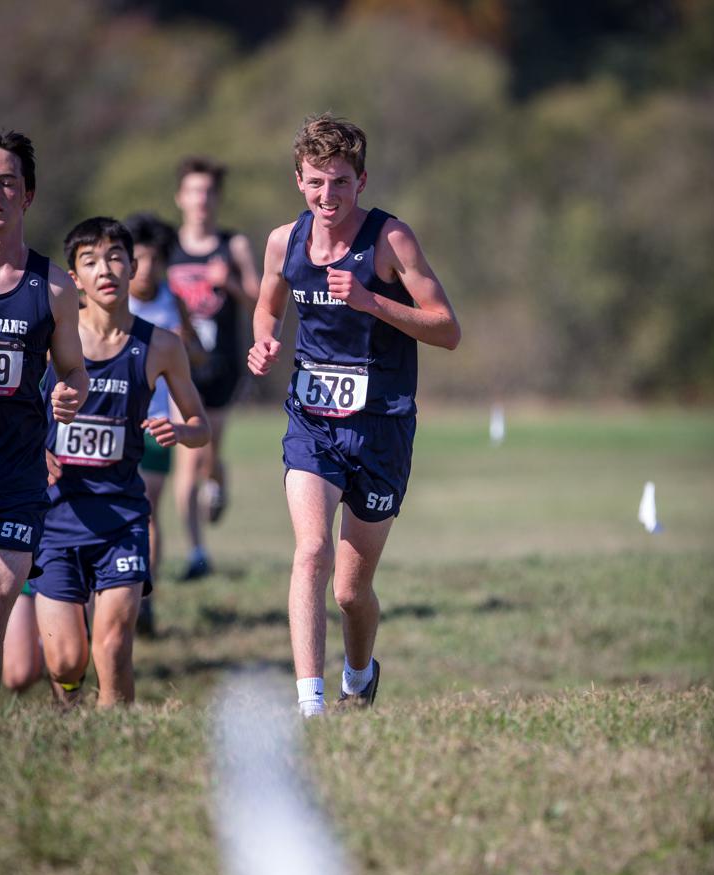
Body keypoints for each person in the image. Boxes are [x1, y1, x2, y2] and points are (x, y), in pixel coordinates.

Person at [248, 114, 461, 716]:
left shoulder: (392, 241)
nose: (327, 196)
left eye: (339, 182)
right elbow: (267, 308)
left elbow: (447, 330)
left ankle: (359, 674)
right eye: (316, 182)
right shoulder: (282, 242)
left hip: (382, 426)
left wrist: (372, 301)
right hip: (311, 422)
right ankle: (310, 706)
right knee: (311, 551)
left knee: (349, 590)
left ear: (361, 182)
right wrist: (263, 341)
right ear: (298, 181)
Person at [32, 216, 210, 707]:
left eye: (115, 257)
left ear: (134, 267)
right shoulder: (49, 344)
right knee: (66, 661)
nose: (105, 269)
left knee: (112, 645)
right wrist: (34, 447)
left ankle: (119, 734)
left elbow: (202, 426)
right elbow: (8, 414)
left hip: (123, 518)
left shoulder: (161, 346)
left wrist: (180, 430)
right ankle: (70, 709)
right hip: (56, 518)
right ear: (75, 279)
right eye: (90, 261)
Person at [0, 129, 88, 719]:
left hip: (13, 482)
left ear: (28, 196)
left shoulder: (55, 287)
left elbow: (73, 371)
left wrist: (67, 393)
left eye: (8, 182)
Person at [168, 156, 260, 580]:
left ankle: (218, 479)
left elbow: (262, 301)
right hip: (178, 366)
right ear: (180, 198)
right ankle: (196, 552)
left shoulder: (233, 244)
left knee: (210, 454)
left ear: (216, 199)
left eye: (208, 192)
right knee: (187, 456)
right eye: (194, 191)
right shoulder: (168, 248)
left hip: (223, 366)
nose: (201, 199)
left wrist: (232, 284)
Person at [124, 212, 200, 635]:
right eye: (138, 258)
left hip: (157, 423)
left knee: (147, 511)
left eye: (155, 259)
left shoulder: (173, 301)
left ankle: (145, 597)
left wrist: (185, 346)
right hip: (110, 421)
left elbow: (198, 358)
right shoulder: (110, 299)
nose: (146, 268)